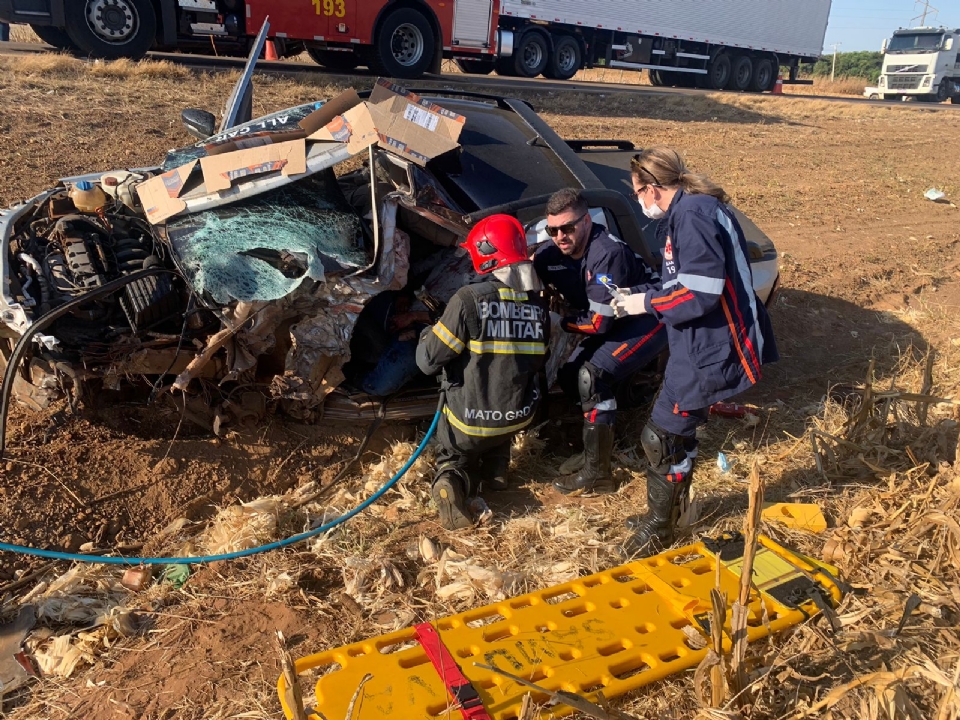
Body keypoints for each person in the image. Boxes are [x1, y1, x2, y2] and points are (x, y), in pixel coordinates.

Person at [613, 146, 779, 556]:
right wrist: (644, 292)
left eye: (637, 193)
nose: (639, 201)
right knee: (676, 432)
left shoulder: (691, 216)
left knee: (663, 435)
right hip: (700, 342)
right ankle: (675, 513)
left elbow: (700, 294)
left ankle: (660, 528)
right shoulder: (696, 208)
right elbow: (683, 280)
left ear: (652, 189)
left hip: (711, 345)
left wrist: (643, 305)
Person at [417, 214, 550, 530]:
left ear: (483, 253)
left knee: (455, 452)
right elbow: (531, 362)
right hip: (519, 417)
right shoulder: (537, 305)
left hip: (471, 422)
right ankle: (497, 468)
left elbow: (427, 362)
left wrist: (428, 332)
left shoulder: (468, 299)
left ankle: (452, 480)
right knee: (499, 399)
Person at [534, 188, 667, 495]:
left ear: (587, 221)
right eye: (553, 230)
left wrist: (559, 323)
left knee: (591, 377)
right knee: (570, 377)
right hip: (608, 318)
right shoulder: (549, 255)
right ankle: (601, 444)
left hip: (646, 318)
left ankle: (598, 473)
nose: (560, 236)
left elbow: (598, 323)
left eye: (568, 228)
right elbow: (530, 267)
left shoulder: (607, 253)